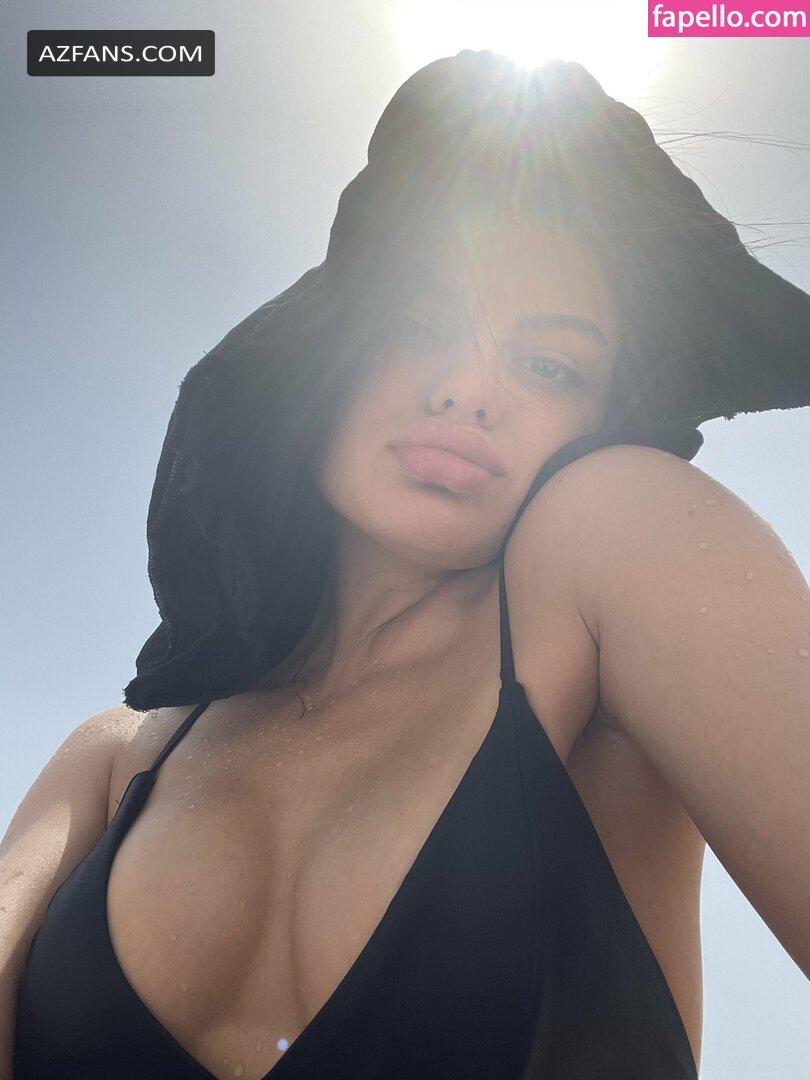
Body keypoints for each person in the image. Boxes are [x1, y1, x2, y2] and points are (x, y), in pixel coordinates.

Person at [6, 50, 810, 1080]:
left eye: (549, 364)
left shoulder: (610, 542)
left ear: (601, 418)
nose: (468, 388)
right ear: (324, 354)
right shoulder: (114, 757)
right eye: (415, 323)